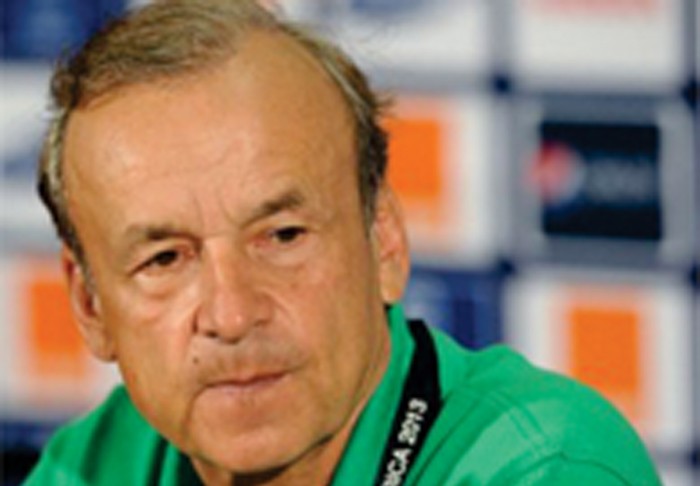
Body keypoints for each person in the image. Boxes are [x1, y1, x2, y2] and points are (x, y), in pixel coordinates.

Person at [25, 1, 660, 485]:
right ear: (90, 306)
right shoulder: (97, 462)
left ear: (383, 240)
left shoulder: (541, 466)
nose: (232, 315)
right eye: (164, 259)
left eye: (282, 236)